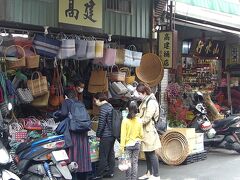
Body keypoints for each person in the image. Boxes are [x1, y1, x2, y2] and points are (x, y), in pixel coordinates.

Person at [58, 87, 92, 180]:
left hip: (73, 133)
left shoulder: (66, 102)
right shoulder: (80, 103)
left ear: (66, 96)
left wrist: (57, 114)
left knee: (74, 155)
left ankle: (73, 176)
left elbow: (64, 114)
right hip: (83, 133)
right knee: (83, 155)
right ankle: (83, 176)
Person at [136, 82, 161, 180]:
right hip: (145, 130)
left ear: (144, 92)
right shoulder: (146, 101)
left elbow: (146, 118)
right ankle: (149, 173)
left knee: (151, 153)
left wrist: (136, 122)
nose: (138, 95)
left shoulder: (151, 102)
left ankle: (156, 175)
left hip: (149, 130)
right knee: (147, 153)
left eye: (139, 93)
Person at [92, 92, 115, 180]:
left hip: (106, 135)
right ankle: (110, 172)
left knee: (103, 155)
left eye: (95, 100)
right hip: (112, 134)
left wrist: (98, 135)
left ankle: (99, 174)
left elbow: (101, 124)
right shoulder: (110, 106)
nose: (95, 103)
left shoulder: (103, 108)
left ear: (99, 99)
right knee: (110, 154)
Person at [120, 100, 143, 180]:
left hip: (127, 145)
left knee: (127, 163)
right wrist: (139, 140)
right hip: (137, 143)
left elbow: (123, 135)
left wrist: (121, 148)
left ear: (127, 109)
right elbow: (141, 134)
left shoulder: (125, 121)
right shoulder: (139, 120)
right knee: (135, 162)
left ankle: (128, 179)